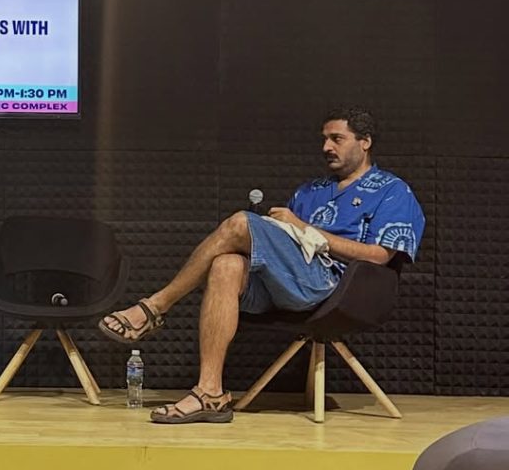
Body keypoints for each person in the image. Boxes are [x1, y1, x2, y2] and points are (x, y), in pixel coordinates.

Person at [98, 107, 425, 425]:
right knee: (226, 265)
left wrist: (304, 229)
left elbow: (379, 256)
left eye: (337, 139)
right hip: (291, 283)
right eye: (324, 139)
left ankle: (154, 307)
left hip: (337, 287)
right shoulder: (311, 190)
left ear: (365, 142)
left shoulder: (392, 191)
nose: (326, 147)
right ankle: (210, 392)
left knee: (240, 223)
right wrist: (280, 231)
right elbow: (290, 244)